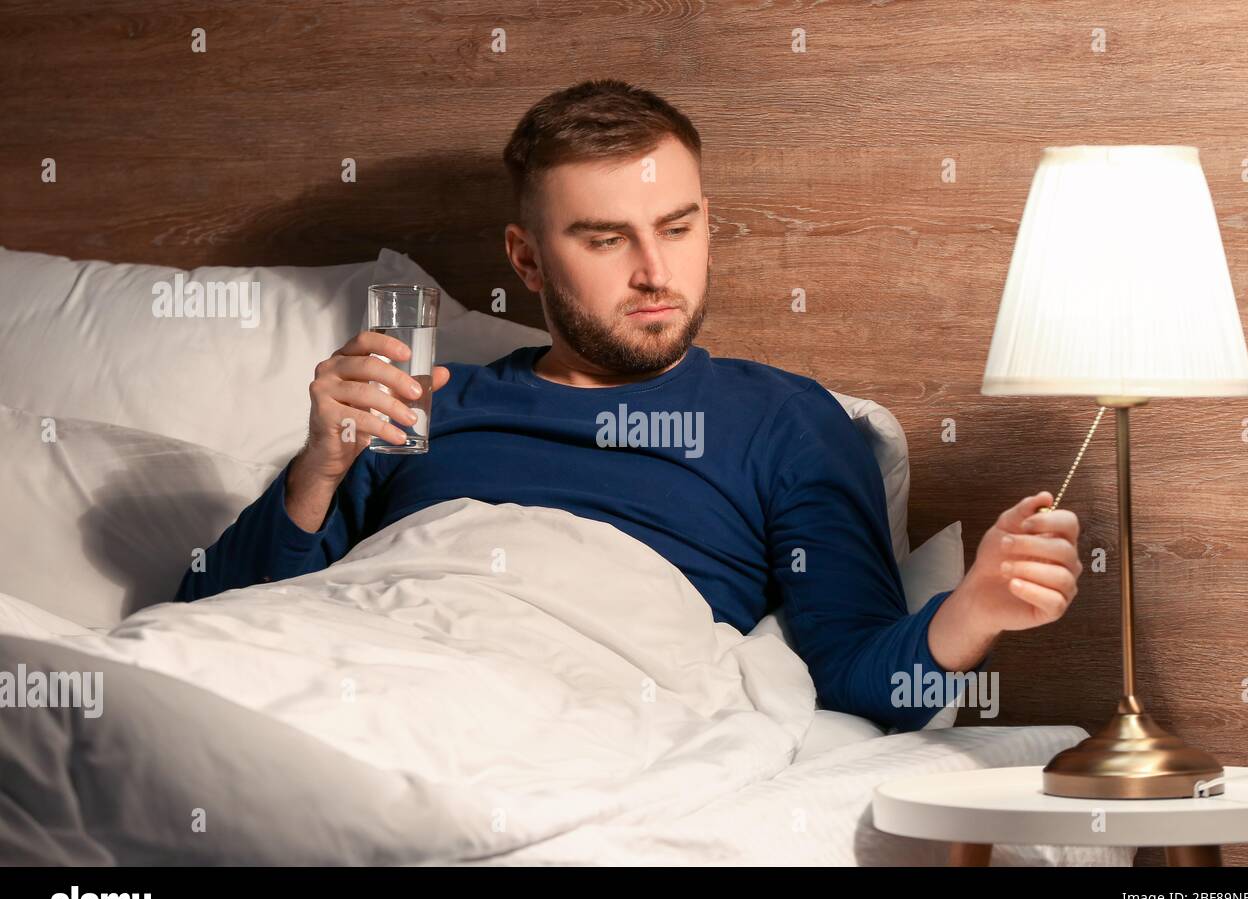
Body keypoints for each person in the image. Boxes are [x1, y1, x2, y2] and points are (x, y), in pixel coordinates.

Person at [175, 79, 1082, 732]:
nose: (655, 272)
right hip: (362, 648)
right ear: (526, 260)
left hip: (561, 693)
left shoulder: (784, 423)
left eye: (678, 229)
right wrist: (317, 471)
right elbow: (212, 617)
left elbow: (856, 684)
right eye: (607, 240)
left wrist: (975, 611)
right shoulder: (427, 404)